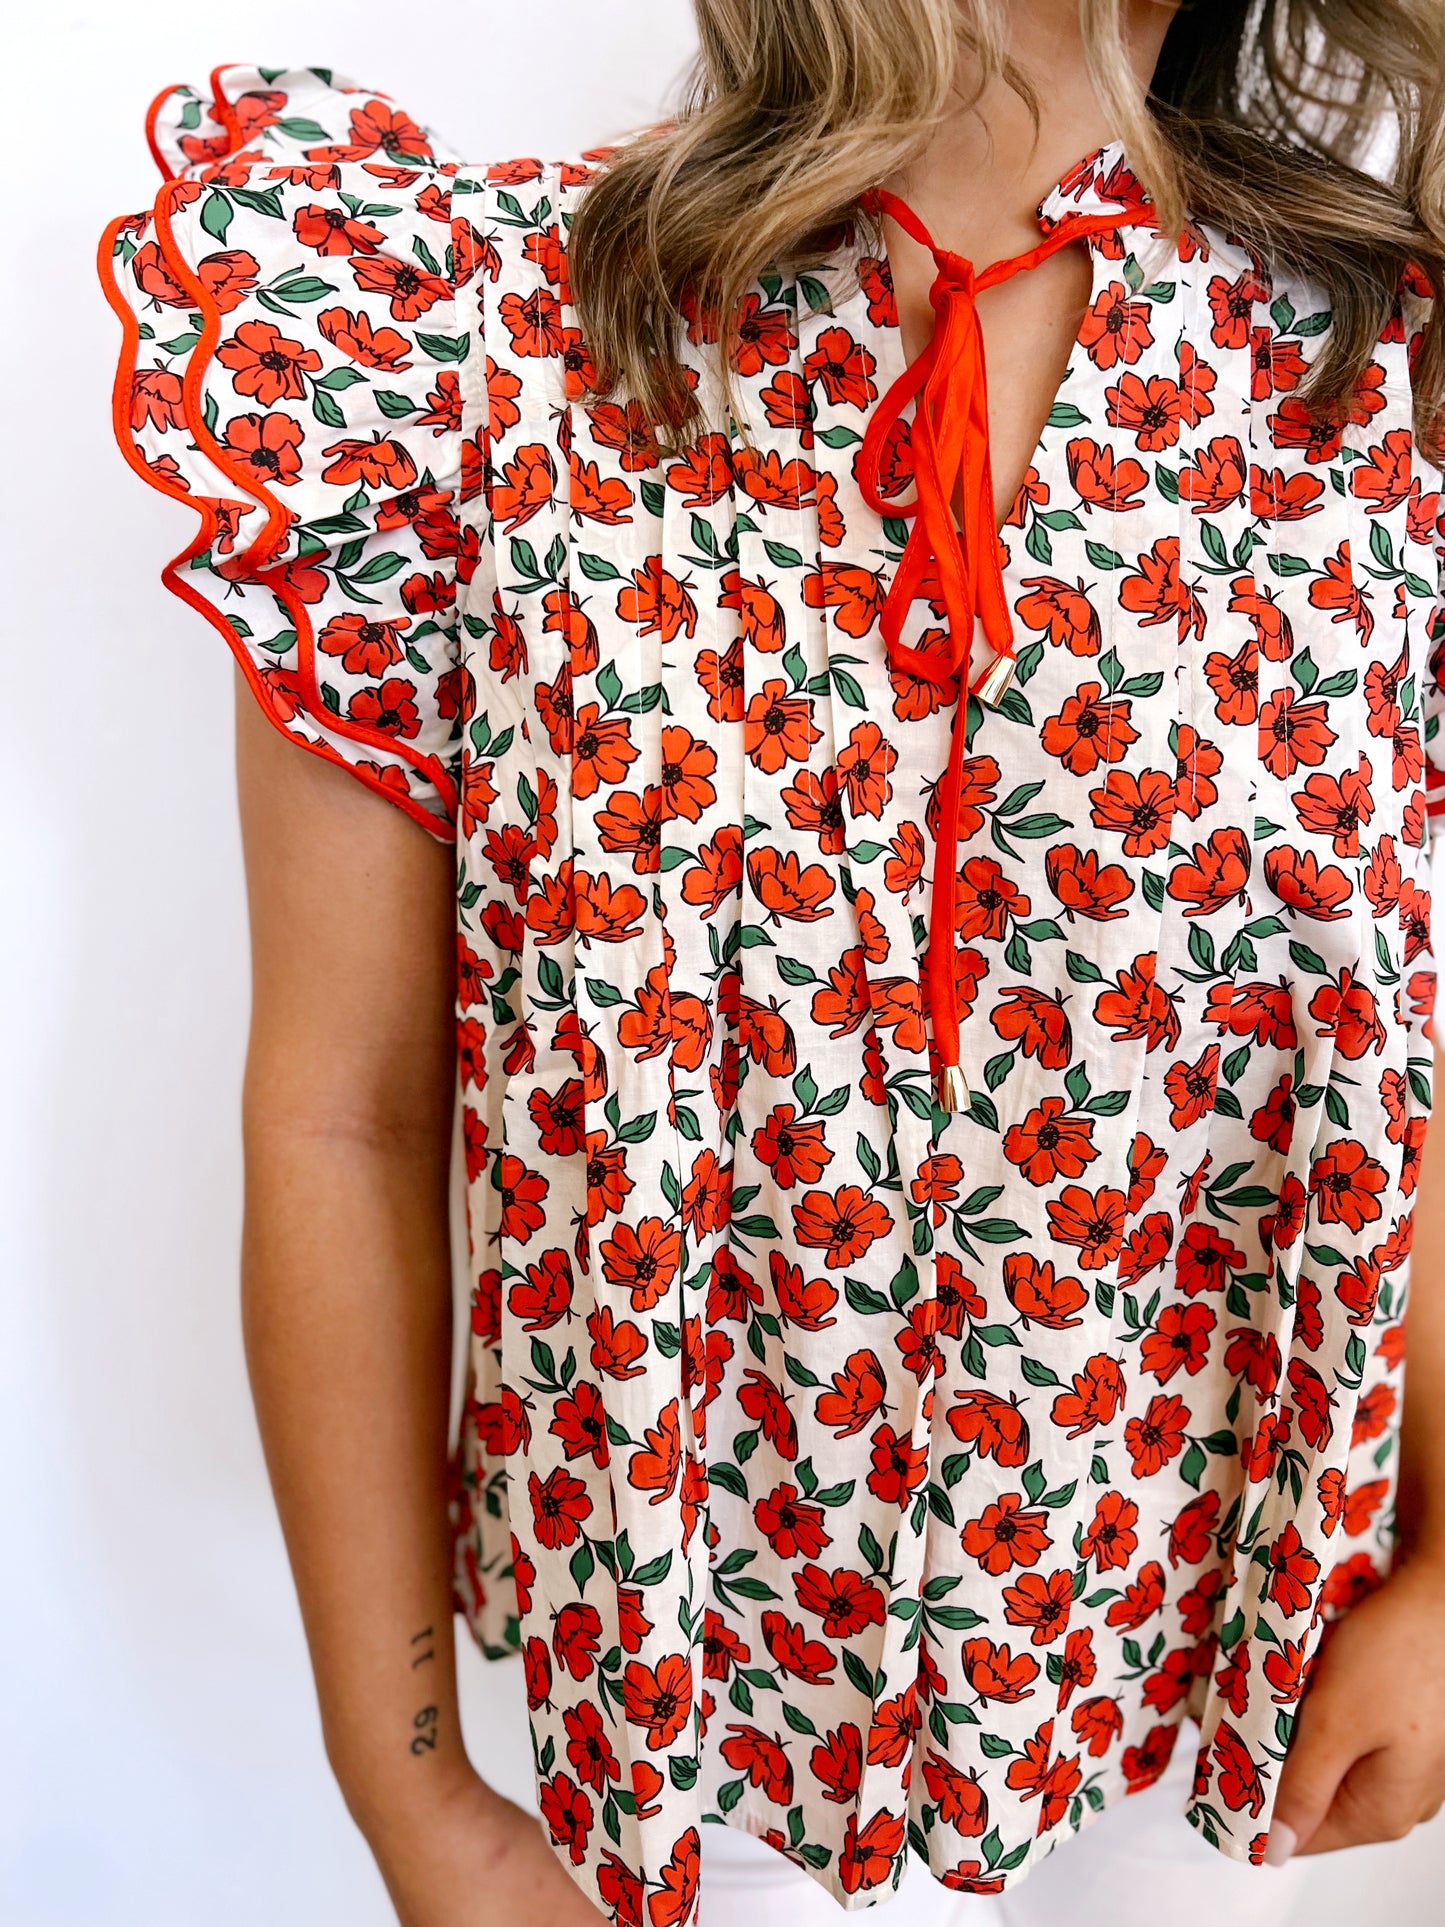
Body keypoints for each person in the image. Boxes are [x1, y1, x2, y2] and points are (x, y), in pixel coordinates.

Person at [99, 2, 1445, 1921]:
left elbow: (1394, 1064)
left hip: (1224, 1726)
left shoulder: (1378, 375)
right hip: (665, 1762)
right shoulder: (466, 349)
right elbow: (344, 1114)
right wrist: (418, 1806)